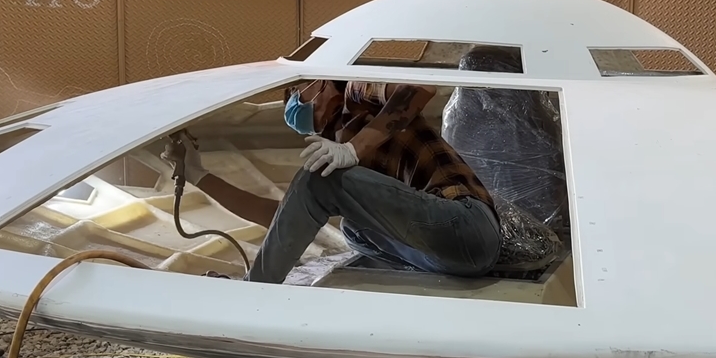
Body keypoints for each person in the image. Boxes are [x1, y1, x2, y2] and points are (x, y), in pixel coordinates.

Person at [162, 79, 502, 283]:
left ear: (322, 83)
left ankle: (254, 292)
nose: (293, 102)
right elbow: (286, 218)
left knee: (319, 181)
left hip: (465, 225)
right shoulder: (335, 146)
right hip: (444, 259)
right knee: (353, 230)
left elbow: (421, 87)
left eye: (297, 90)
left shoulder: (355, 92)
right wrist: (198, 174)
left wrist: (354, 148)